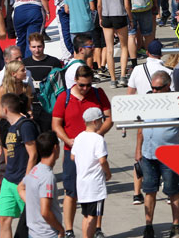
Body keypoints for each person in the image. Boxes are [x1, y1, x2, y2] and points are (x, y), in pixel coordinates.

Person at [52, 66, 111, 238]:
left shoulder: (98, 94)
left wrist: (95, 136)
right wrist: (68, 140)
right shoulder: (64, 97)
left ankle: (97, 228)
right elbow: (56, 124)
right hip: (72, 151)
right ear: (75, 81)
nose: (85, 88)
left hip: (94, 152)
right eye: (82, 85)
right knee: (71, 192)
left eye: (88, 85)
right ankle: (69, 230)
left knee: (96, 192)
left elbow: (109, 118)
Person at [136, 71, 179, 238]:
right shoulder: (148, 100)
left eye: (158, 88)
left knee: (172, 190)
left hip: (169, 154)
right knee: (149, 190)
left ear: (167, 86)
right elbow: (140, 127)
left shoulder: (177, 102)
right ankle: (148, 225)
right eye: (153, 88)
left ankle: (176, 224)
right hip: (148, 153)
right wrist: (138, 150)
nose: (154, 91)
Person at [0, 93, 38, 238]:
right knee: (4, 219)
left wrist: (26, 180)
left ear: (5, 109)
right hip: (8, 180)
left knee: (31, 221)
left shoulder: (25, 126)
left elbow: (33, 154)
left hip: (22, 181)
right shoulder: (10, 127)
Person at [71, 107, 111, 238]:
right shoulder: (98, 139)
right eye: (101, 120)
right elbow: (102, 160)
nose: (102, 123)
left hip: (82, 183)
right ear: (95, 122)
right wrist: (108, 173)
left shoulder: (79, 137)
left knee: (86, 215)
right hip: (95, 185)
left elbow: (72, 156)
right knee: (93, 216)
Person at [20, 130, 65, 238]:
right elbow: (45, 212)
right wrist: (61, 229)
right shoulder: (47, 177)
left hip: (33, 233)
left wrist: (33, 203)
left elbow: (20, 188)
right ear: (55, 148)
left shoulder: (34, 170)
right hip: (47, 234)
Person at [97, 0, 132, 87]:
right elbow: (127, 5)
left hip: (106, 16)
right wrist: (131, 19)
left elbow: (99, 5)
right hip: (120, 15)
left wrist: (100, 17)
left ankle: (113, 79)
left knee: (109, 49)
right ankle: (122, 76)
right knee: (124, 47)